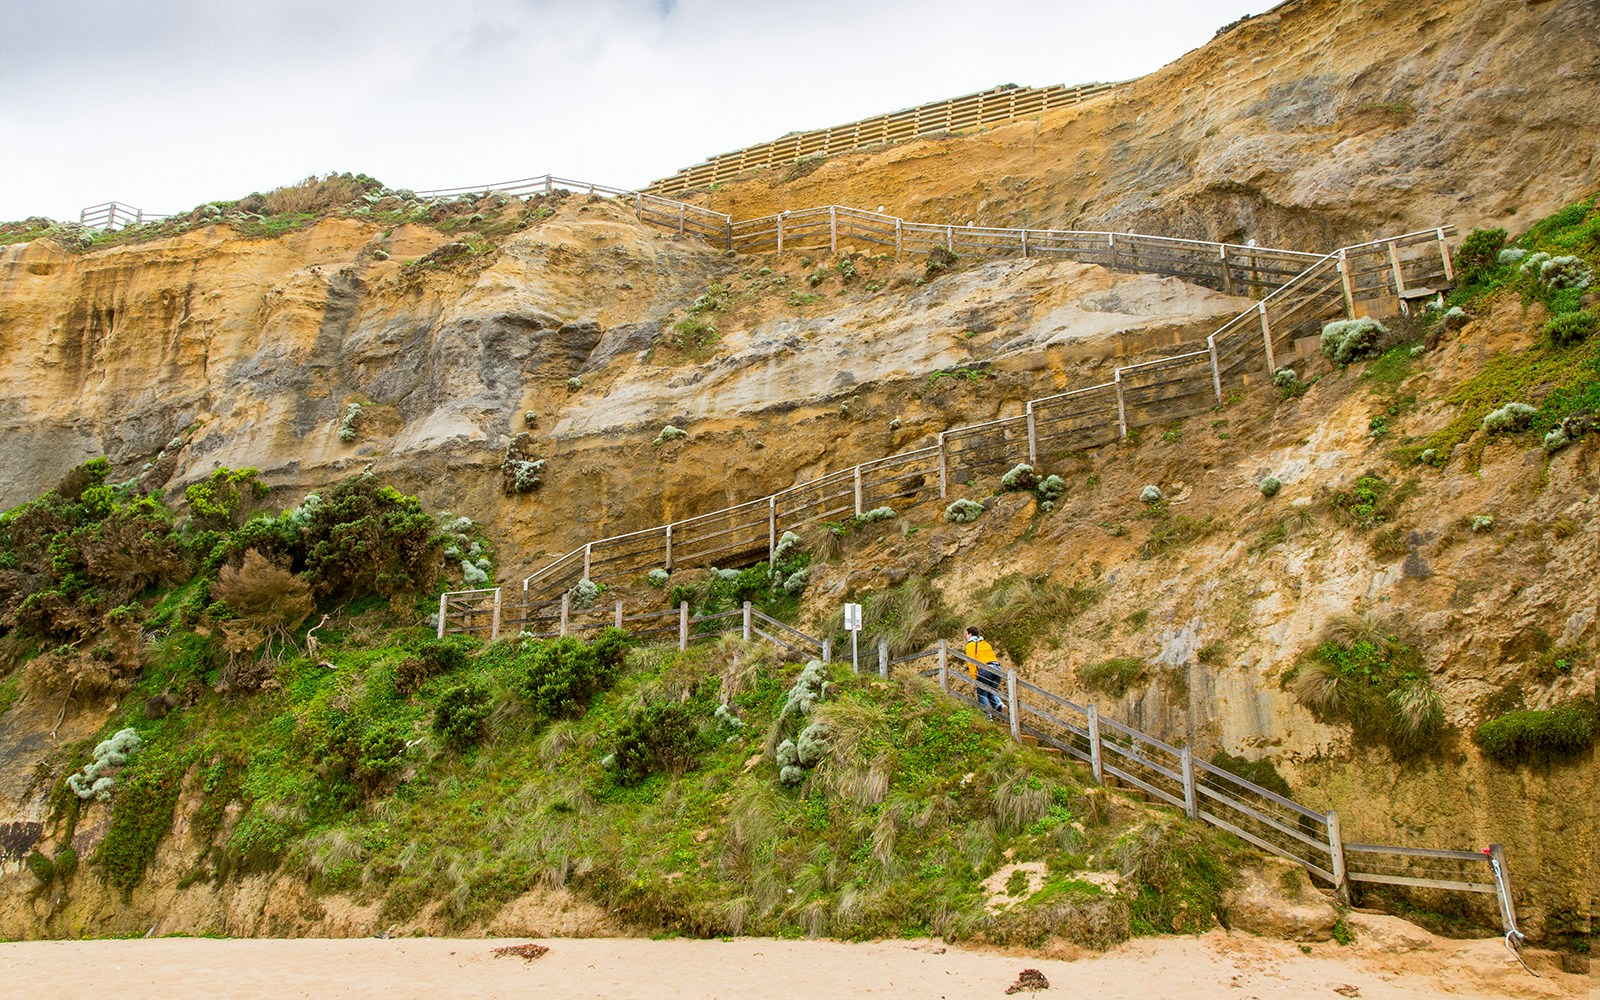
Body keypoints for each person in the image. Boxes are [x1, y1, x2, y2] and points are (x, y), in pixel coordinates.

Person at [964, 626, 1005, 717]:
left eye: (966, 634)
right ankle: (999, 704)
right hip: (997, 668)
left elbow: (971, 662)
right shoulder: (985, 644)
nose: (966, 636)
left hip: (985, 669)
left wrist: (974, 678)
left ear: (970, 634)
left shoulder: (970, 645)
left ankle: (988, 716)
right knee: (990, 691)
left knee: (981, 693)